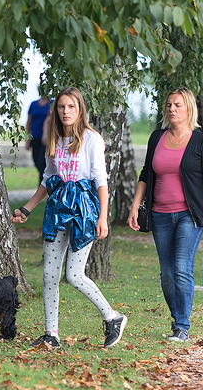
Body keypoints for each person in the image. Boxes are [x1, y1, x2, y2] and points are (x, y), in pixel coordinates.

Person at [11, 88, 128, 349]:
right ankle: (51, 334)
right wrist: (27, 209)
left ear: (80, 110)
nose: (66, 112)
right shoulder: (53, 141)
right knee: (49, 275)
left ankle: (113, 317)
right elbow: (47, 180)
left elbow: (101, 179)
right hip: (57, 210)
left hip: (84, 211)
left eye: (71, 107)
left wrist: (103, 217)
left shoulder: (91, 139)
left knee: (74, 275)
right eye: (61, 107)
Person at [128, 87, 203, 342]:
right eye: (169, 105)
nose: (172, 109)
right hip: (160, 214)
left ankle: (181, 325)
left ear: (189, 109)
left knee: (182, 268)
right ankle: (178, 316)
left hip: (189, 216)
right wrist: (135, 207)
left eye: (178, 105)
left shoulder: (202, 142)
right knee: (167, 275)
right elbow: (146, 175)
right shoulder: (156, 137)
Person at [26, 96, 51, 181]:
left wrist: (46, 134)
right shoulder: (34, 104)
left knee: (42, 163)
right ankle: (44, 186)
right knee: (36, 161)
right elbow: (29, 121)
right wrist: (27, 139)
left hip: (47, 139)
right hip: (35, 137)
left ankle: (42, 188)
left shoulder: (52, 103)